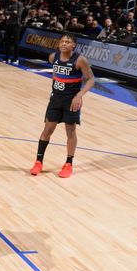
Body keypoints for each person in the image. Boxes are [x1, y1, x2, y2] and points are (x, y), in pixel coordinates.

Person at [30, 34, 95, 178]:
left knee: (70, 131)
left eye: (68, 42)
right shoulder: (53, 57)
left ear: (74, 45)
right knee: (47, 129)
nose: (64, 44)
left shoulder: (80, 60)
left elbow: (91, 79)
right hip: (56, 99)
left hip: (71, 100)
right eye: (62, 41)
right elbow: (55, 74)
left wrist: (79, 95)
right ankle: (38, 162)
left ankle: (68, 163)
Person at [3, 0, 24, 65]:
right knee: (7, 42)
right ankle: (7, 57)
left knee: (16, 43)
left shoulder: (20, 4)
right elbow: (4, 12)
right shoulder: (8, 3)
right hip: (8, 24)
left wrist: (11, 13)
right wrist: (12, 12)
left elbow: (19, 14)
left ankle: (16, 59)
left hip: (16, 25)